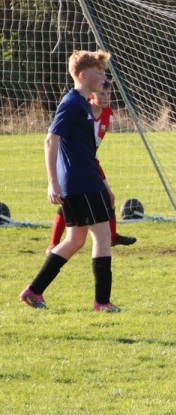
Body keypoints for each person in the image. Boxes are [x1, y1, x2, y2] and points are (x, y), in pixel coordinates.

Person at [20, 50, 121, 312]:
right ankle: (102, 303)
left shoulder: (82, 103)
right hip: (83, 181)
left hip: (80, 181)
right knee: (102, 237)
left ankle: (34, 291)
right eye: (99, 73)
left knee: (75, 240)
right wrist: (52, 182)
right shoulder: (73, 102)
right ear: (84, 76)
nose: (103, 77)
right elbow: (50, 140)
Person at [48, 78, 137, 251]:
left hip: (91, 161)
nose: (106, 97)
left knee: (109, 198)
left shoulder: (108, 115)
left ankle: (112, 236)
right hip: (76, 164)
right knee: (66, 203)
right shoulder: (81, 110)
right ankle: (52, 244)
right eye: (101, 94)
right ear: (91, 95)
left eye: (109, 94)